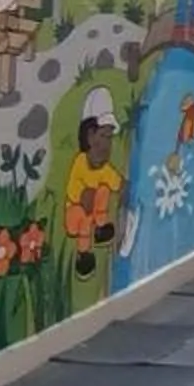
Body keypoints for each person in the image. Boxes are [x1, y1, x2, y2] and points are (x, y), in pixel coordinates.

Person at [63, 86, 127, 276]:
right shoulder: (80, 163)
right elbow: (74, 190)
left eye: (109, 138)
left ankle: (100, 228)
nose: (107, 145)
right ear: (90, 137)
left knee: (104, 190)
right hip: (75, 217)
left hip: (93, 215)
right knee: (83, 216)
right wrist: (83, 195)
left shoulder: (103, 169)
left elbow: (116, 181)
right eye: (103, 137)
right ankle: (83, 254)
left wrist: (124, 188)